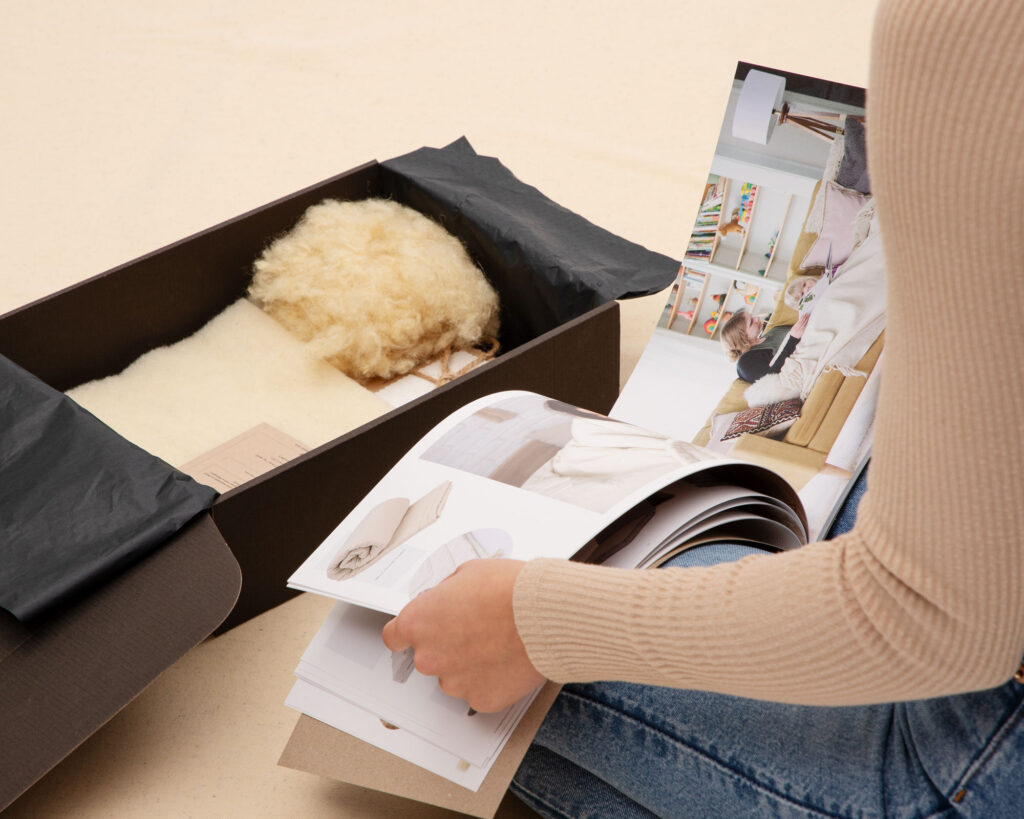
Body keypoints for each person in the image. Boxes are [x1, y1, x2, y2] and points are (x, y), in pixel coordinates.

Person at [382, 0, 1024, 814]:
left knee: (417, 629)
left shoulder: (973, 29)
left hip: (981, 738)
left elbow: (933, 618)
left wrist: (535, 622)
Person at [719, 307, 810, 383]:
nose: (757, 318)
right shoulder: (745, 363)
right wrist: (793, 339)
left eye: (753, 316)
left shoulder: (773, 331)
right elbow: (770, 379)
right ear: (743, 338)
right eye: (751, 322)